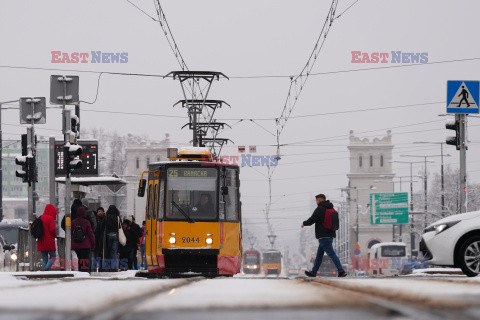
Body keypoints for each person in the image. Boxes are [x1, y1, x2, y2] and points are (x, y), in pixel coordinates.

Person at [301, 194, 347, 278]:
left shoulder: (320, 209)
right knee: (319, 256)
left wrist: (304, 223)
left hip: (323, 236)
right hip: (329, 235)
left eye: (317, 200)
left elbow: (312, 219)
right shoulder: (331, 208)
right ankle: (313, 272)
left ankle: (341, 271)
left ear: (320, 200)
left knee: (332, 254)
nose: (316, 202)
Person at [71, 207, 95, 272]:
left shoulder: (73, 222)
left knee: (79, 260)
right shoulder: (86, 222)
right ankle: (84, 273)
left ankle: (80, 272)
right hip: (85, 245)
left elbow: (71, 234)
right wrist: (93, 244)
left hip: (76, 245)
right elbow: (90, 234)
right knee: (84, 261)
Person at [37, 204, 58, 271]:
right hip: (49, 241)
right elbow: (52, 230)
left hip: (41, 241)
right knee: (53, 257)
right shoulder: (50, 218)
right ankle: (45, 269)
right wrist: (55, 235)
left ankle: (43, 273)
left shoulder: (40, 217)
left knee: (44, 258)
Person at [105, 205, 121, 271]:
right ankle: (114, 267)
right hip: (116, 235)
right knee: (114, 252)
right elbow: (120, 227)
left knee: (108, 251)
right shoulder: (117, 218)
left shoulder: (106, 217)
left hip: (108, 235)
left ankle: (108, 267)